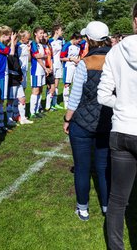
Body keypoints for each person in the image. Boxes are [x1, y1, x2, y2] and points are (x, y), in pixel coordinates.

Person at [63, 21, 112, 221]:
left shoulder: (85, 63)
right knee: (104, 167)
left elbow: (75, 97)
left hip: (83, 122)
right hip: (108, 121)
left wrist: (67, 119)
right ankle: (107, 206)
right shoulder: (116, 60)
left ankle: (83, 208)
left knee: (82, 167)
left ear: (89, 39)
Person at [97, 3, 137, 250]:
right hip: (124, 126)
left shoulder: (115, 51)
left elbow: (103, 96)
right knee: (119, 199)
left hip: (121, 130)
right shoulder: (116, 50)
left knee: (117, 200)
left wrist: (122, 104)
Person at [0, 26, 16, 134]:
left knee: (1, 102)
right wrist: (13, 42)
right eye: (8, 37)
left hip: (3, 75)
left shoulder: (0, 44)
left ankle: (1, 125)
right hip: (0, 75)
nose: (9, 39)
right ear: (3, 35)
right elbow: (11, 53)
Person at [29, 27, 49, 119]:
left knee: (40, 90)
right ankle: (32, 112)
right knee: (35, 91)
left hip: (41, 71)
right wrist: (45, 67)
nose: (42, 35)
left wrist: (43, 56)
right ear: (35, 34)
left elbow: (43, 56)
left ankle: (37, 110)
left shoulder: (41, 45)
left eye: (43, 33)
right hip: (36, 71)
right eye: (40, 33)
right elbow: (37, 57)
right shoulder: (33, 43)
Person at [60, 32, 82, 109]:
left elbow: (79, 55)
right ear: (74, 39)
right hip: (68, 66)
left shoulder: (78, 46)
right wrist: (71, 59)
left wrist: (78, 59)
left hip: (76, 67)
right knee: (67, 84)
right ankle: (66, 103)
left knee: (76, 84)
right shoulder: (67, 45)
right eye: (78, 41)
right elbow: (61, 57)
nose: (79, 42)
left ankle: (74, 101)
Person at [48, 24, 64, 109]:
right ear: (56, 31)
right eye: (61, 30)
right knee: (51, 85)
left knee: (56, 85)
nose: (62, 32)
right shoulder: (50, 41)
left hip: (59, 65)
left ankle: (55, 103)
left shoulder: (61, 40)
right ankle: (48, 104)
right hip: (52, 65)